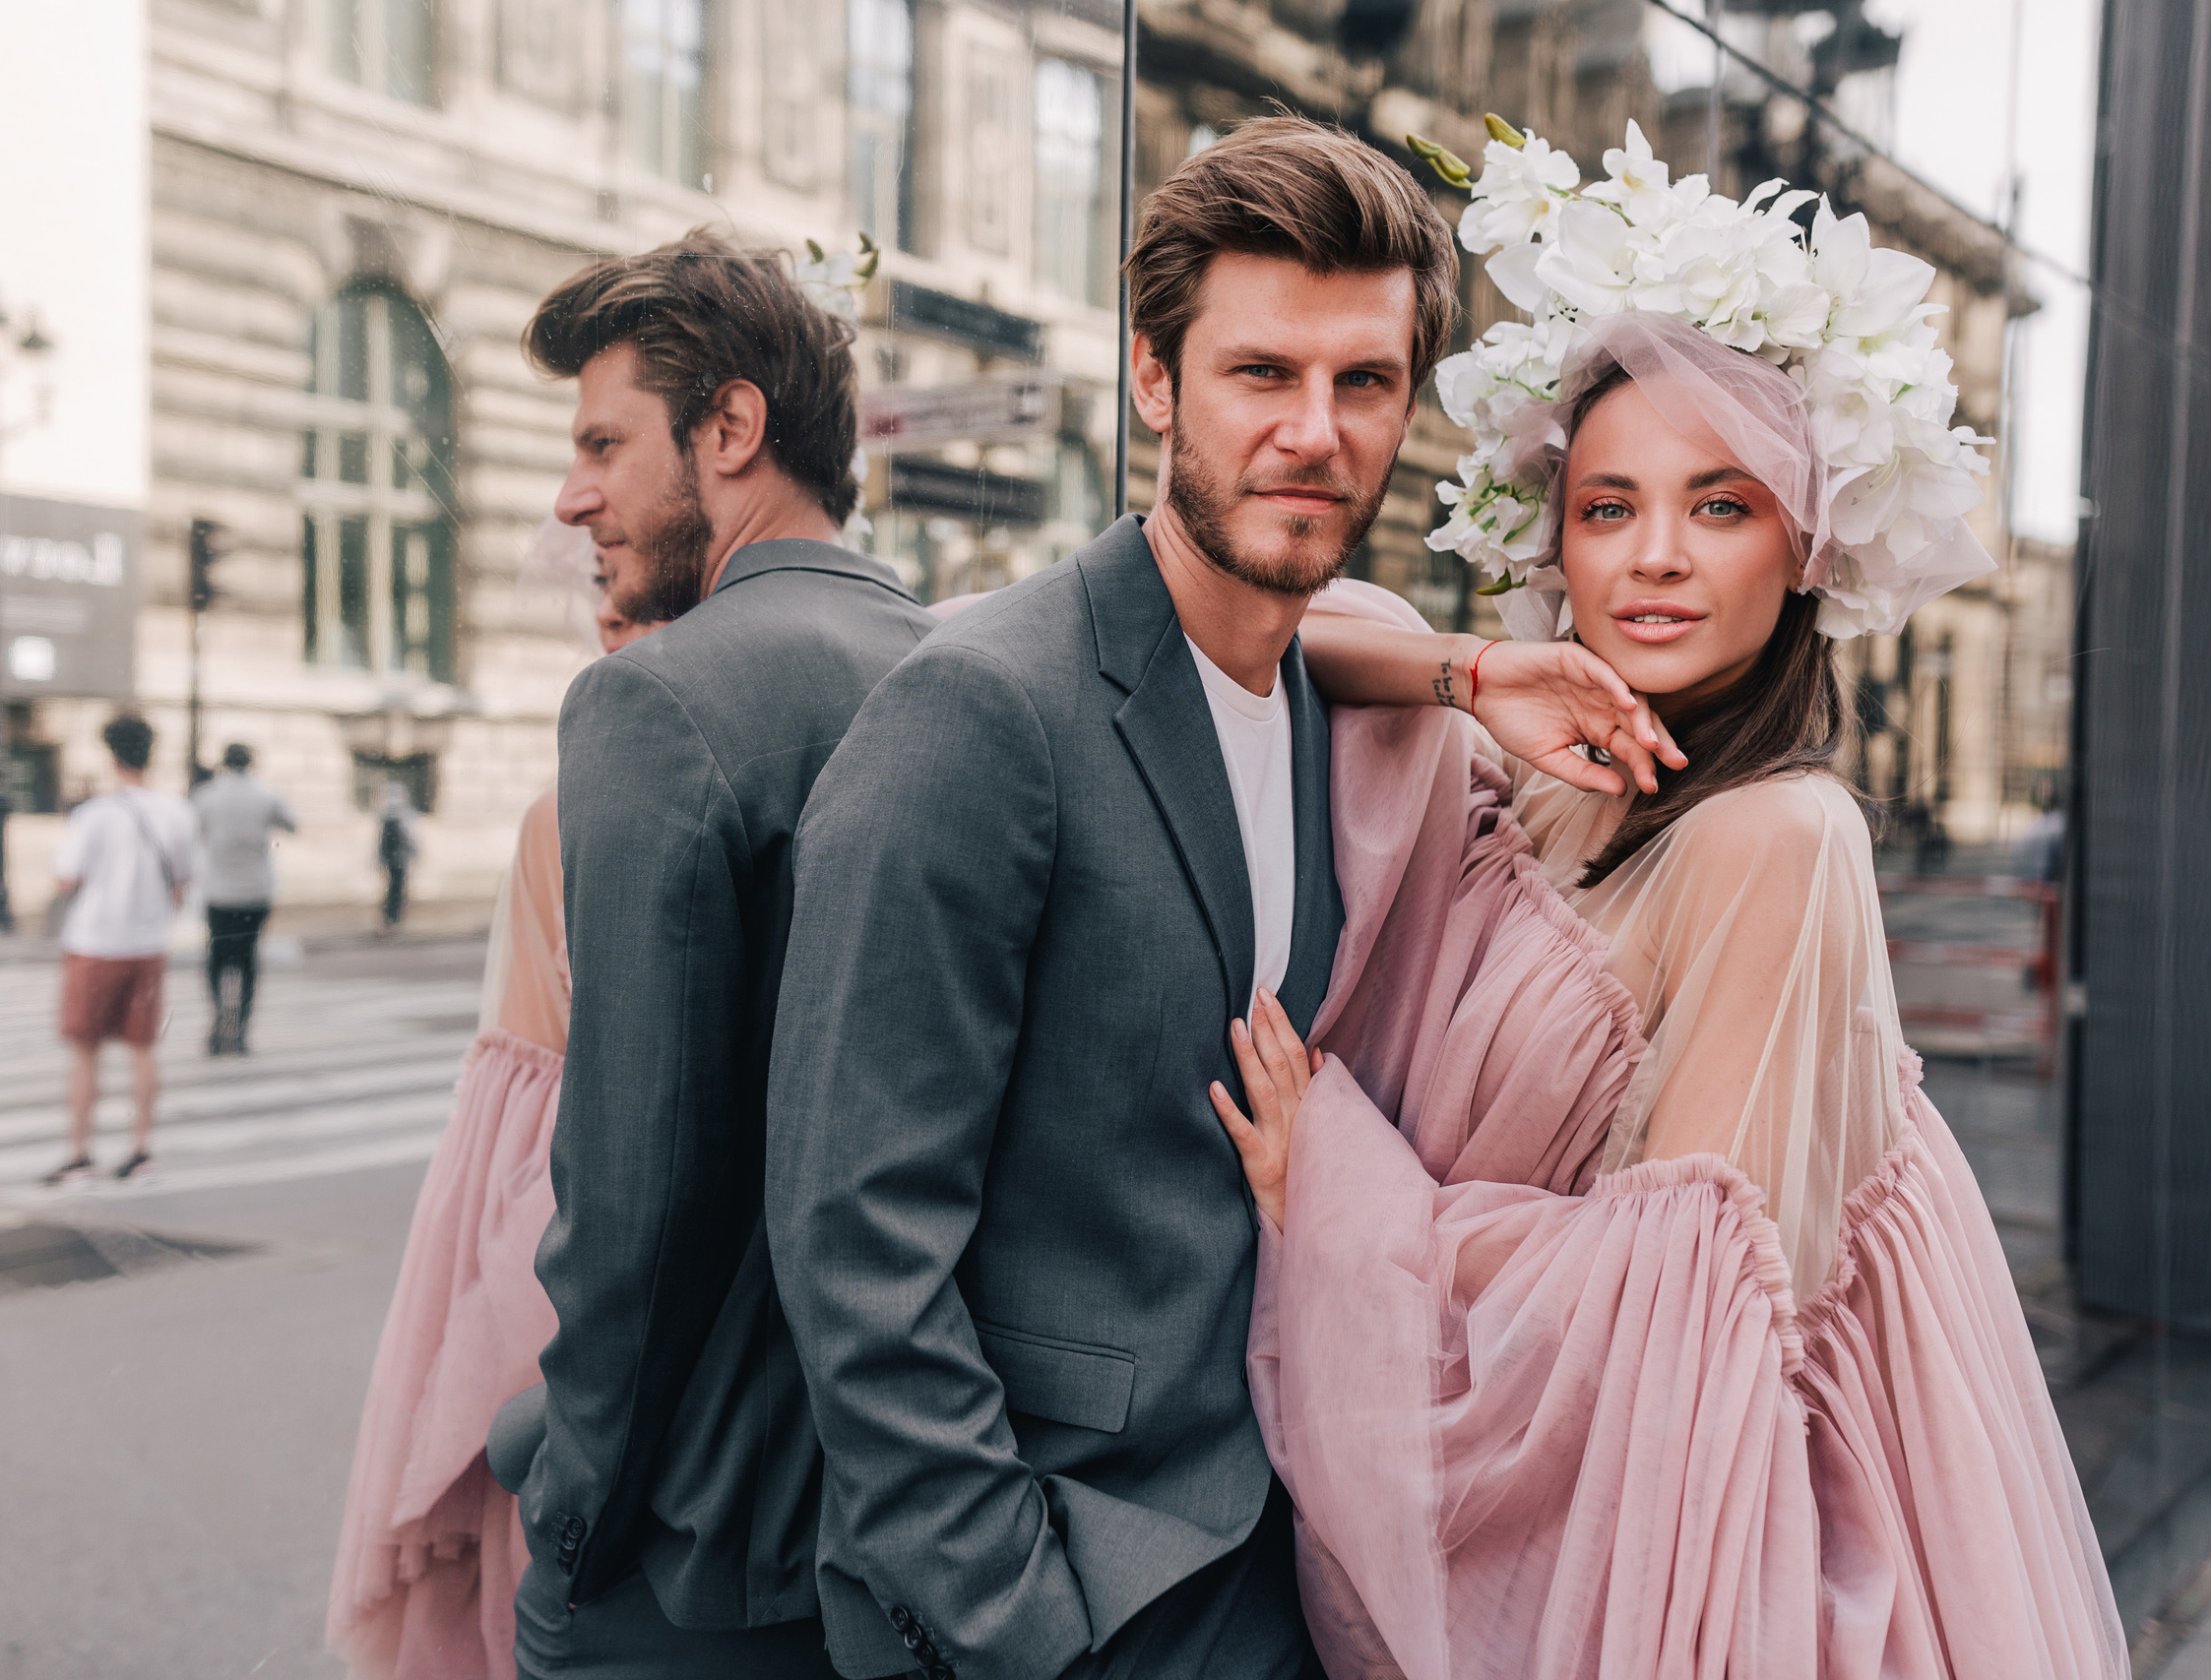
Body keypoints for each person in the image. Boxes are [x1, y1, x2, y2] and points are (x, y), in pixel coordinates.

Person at [761, 119, 1674, 1680]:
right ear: (1154, 379)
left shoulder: (1326, 696)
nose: (1315, 431)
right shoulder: (979, 712)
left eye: (1363, 382)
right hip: (1066, 1586)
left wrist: (1467, 670)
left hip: (1282, 1560)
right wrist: (1021, 1627)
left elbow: (1305, 649)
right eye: (1263, 373)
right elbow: (855, 1243)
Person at [1213, 127, 2123, 1676]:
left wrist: (1338, 1181)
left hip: (1685, 1565)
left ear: (1807, 539)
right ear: (1551, 537)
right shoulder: (1556, 770)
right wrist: (1478, 670)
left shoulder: (1779, 836)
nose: (1651, 560)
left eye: (1720, 505)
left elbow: (1665, 1323)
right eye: (1608, 505)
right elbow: (1304, 634)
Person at [487, 228, 936, 1679]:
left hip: (697, 1544)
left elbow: (640, 1188)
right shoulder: (965, 668)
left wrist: (572, 1525)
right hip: (920, 1514)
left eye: (604, 443)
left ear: (732, 427)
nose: (574, 498)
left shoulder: (659, 703)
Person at [330, 602, 661, 1680]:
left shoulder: (578, 799)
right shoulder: (582, 808)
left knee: (509, 1547)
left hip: (526, 1153)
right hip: (550, 1151)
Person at [43, 714, 195, 1189]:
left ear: (111, 756)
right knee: (143, 1050)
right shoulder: (176, 812)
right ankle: (142, 1149)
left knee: (86, 1052)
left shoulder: (94, 815)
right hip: (148, 946)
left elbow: (67, 879)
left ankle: (81, 1154)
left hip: (94, 944)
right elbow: (184, 884)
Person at [192, 741, 297, 1055]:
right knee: (248, 958)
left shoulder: (207, 795)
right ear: (251, 763)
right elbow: (293, 823)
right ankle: (241, 1029)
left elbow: (193, 832)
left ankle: (219, 1015)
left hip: (219, 891)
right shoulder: (266, 794)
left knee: (217, 957)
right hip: (256, 890)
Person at [378, 783, 417, 932]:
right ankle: (392, 917)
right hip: (397, 858)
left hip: (399, 858)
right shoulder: (394, 815)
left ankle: (394, 917)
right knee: (395, 888)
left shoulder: (395, 814)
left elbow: (409, 837)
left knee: (396, 888)